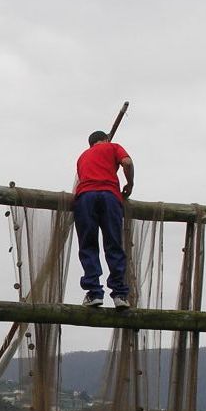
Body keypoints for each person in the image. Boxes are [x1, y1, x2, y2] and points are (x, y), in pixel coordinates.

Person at [73, 130, 134, 309]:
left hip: (85, 197)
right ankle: (120, 294)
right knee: (113, 244)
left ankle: (94, 293)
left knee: (88, 245)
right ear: (105, 140)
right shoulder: (113, 147)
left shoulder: (82, 156)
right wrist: (129, 184)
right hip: (109, 196)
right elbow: (127, 162)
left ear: (91, 144)